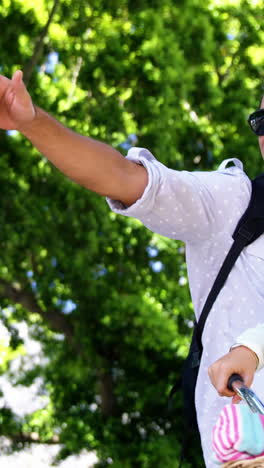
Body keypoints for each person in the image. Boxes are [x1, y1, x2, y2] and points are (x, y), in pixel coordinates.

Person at [0, 70, 264, 468]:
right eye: (263, 122)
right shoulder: (235, 203)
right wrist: (31, 122)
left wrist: (253, 347)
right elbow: (125, 178)